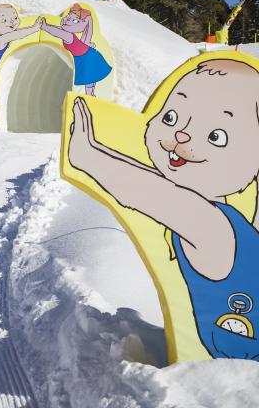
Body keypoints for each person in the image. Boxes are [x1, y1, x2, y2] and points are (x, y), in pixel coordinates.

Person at [68, 59, 259, 359]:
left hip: (237, 351)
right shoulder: (229, 224)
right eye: (171, 117)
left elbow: (152, 193)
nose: (181, 135)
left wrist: (90, 156)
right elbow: (163, 190)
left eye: (216, 136)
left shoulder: (214, 227)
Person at [40, 4, 111, 96]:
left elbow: (57, 32)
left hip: (87, 56)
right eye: (68, 17)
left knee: (90, 77)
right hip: (86, 54)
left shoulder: (68, 36)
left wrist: (46, 27)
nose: (68, 20)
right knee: (90, 77)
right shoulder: (69, 34)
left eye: (75, 20)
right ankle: (90, 94)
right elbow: (59, 30)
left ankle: (90, 94)